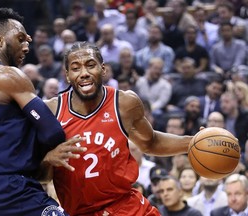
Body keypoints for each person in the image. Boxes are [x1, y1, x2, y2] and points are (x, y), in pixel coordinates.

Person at [44, 41, 194, 215]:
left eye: (91, 65)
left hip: (127, 207)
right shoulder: (51, 111)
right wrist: (48, 159)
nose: (84, 73)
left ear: (103, 69)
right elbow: (39, 174)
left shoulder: (124, 103)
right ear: (67, 75)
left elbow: (150, 143)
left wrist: (193, 142)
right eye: (76, 68)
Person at [0, 8, 87, 216]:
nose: (27, 46)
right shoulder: (7, 75)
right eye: (20, 39)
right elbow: (52, 132)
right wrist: (47, 155)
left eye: (28, 40)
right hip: (11, 187)